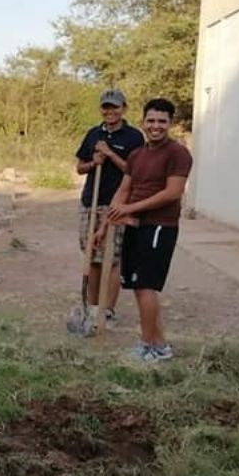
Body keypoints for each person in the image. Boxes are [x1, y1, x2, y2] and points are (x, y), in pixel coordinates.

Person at [99, 97, 192, 362]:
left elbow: (172, 193)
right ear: (143, 121)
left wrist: (130, 209)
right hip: (135, 226)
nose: (155, 126)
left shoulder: (177, 153)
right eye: (151, 120)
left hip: (159, 226)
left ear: (170, 123)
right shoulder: (137, 154)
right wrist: (107, 222)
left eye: (162, 121)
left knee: (146, 287)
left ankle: (147, 345)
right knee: (140, 288)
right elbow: (124, 190)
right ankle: (159, 345)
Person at [74, 89, 145, 327]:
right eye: (105, 107)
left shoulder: (134, 137)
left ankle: (109, 310)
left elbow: (134, 171)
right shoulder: (93, 134)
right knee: (92, 255)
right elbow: (80, 168)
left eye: (114, 107)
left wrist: (110, 154)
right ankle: (93, 309)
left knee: (112, 258)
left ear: (124, 108)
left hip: (117, 203)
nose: (110, 111)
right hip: (90, 202)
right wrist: (94, 161)